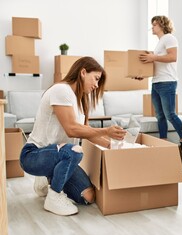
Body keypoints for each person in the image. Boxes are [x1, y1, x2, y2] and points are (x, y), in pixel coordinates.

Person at [19, 56, 127, 216]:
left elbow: (86, 131)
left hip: (60, 154)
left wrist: (112, 146)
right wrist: (106, 131)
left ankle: (48, 177)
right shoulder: (61, 90)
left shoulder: (80, 101)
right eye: (96, 79)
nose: (96, 85)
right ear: (83, 72)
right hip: (34, 155)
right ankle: (54, 196)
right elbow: (72, 129)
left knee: (88, 196)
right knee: (75, 151)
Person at [139, 15, 182, 152]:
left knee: (170, 114)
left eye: (154, 24)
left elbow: (173, 57)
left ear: (162, 25)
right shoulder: (160, 42)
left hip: (167, 82)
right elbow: (158, 64)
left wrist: (153, 57)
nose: (152, 27)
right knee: (159, 115)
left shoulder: (169, 38)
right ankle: (163, 141)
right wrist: (143, 75)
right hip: (156, 82)